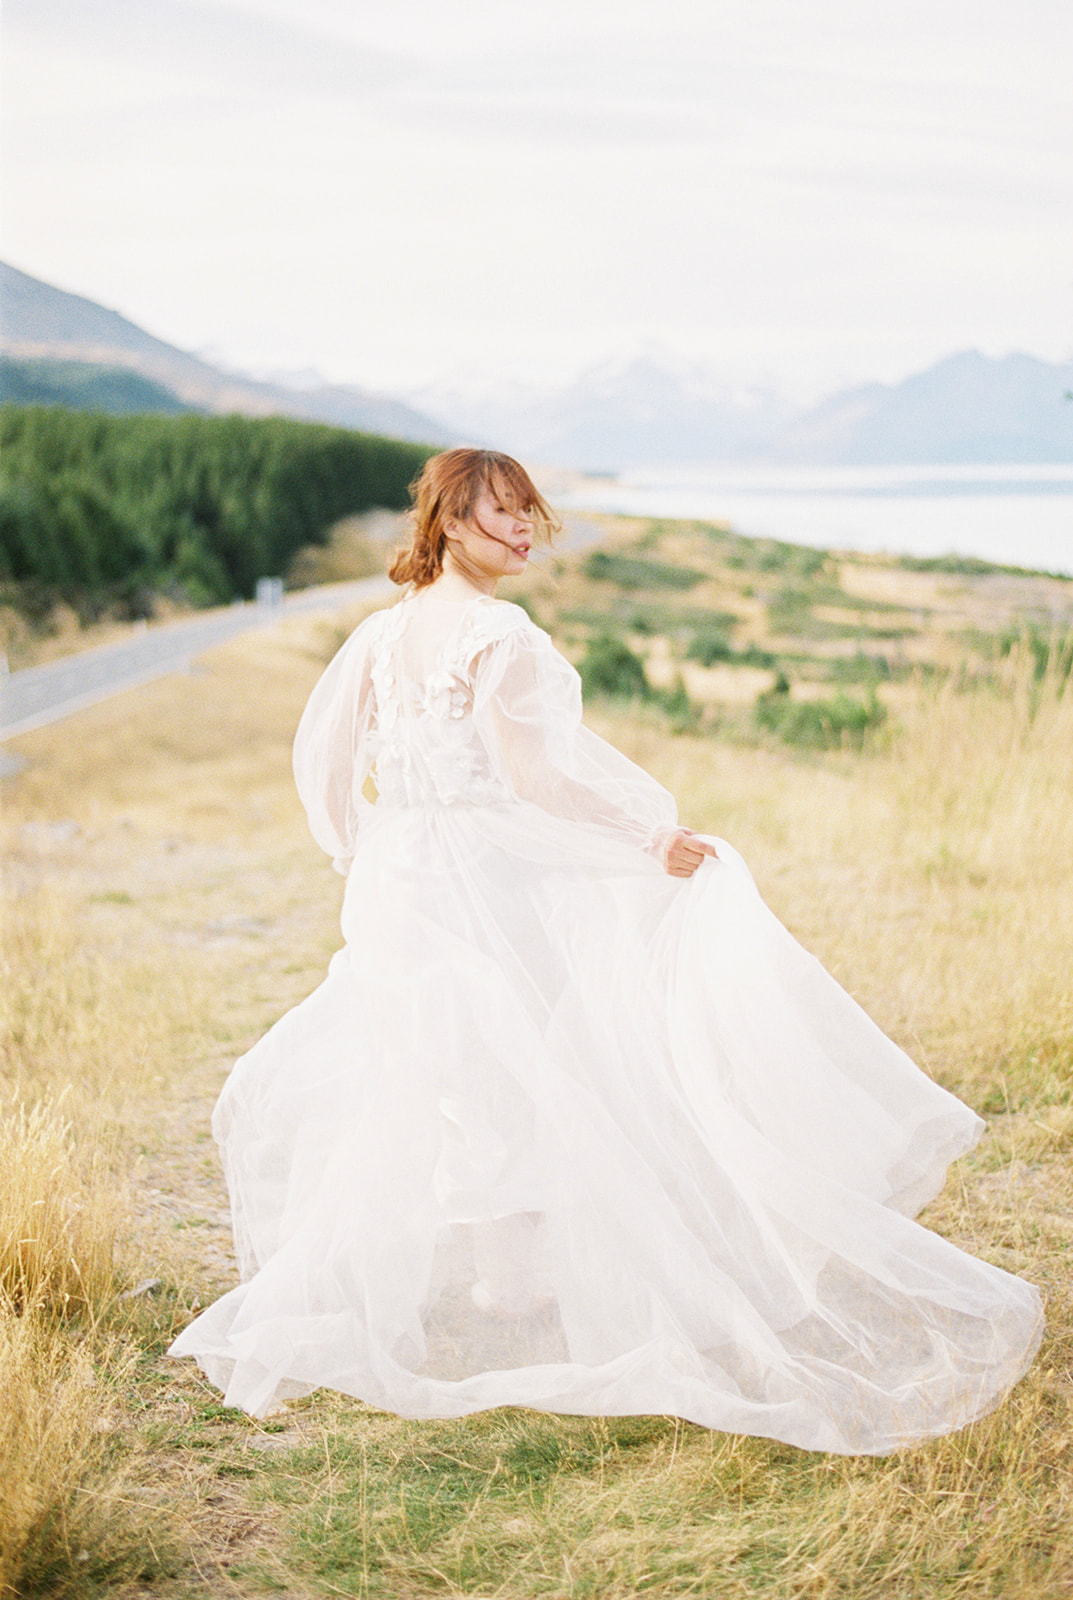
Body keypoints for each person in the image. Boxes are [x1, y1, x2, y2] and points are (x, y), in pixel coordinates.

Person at [170, 447, 1042, 1453]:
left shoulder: (381, 634)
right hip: (477, 878)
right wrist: (645, 836)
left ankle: (490, 1274)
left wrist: (357, 850)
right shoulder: (498, 632)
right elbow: (535, 776)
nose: (522, 531)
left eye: (529, 514)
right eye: (500, 514)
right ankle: (524, 1273)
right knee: (533, 1056)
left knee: (438, 1061)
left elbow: (321, 760)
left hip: (401, 875)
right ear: (448, 523)